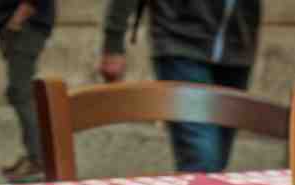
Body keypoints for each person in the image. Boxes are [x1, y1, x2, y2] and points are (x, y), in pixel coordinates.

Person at [99, 0, 261, 174]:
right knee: (202, 156)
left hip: (238, 48)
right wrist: (113, 42)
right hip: (180, 43)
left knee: (218, 158)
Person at [0, 1, 56, 183]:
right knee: (20, 92)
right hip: (21, 24)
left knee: (21, 93)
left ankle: (38, 159)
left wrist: (17, 20)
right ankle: (35, 155)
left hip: (25, 25)